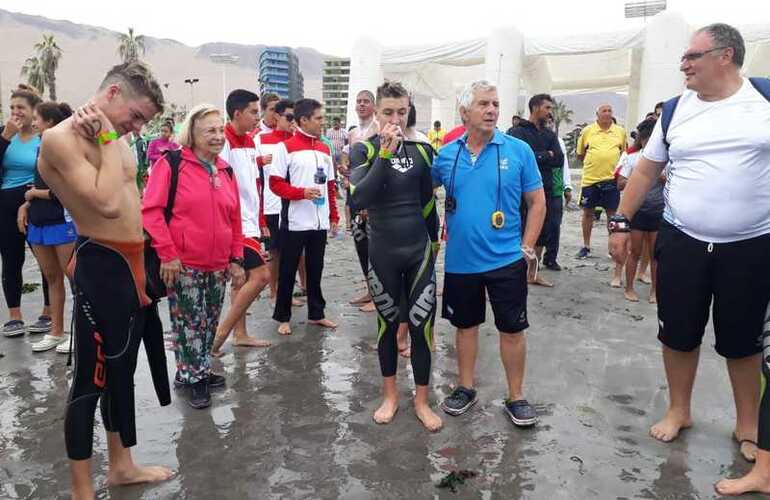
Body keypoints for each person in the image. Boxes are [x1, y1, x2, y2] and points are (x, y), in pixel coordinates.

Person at [606, 23, 770, 497]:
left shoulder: (763, 99)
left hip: (753, 244)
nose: (684, 64)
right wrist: (620, 221)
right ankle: (680, 409)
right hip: (683, 241)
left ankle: (748, 427)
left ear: (726, 56)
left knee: (743, 342)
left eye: (692, 56)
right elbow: (647, 170)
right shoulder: (676, 112)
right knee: (677, 333)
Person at [38, 61, 172, 500]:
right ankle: (82, 490)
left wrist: (115, 138)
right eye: (134, 116)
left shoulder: (119, 139)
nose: (135, 127)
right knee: (89, 379)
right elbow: (106, 203)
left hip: (134, 263)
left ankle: (121, 467)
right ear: (112, 93)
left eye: (142, 122)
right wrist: (112, 139)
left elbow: (128, 192)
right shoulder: (60, 139)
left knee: (122, 369)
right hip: (101, 265)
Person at [432, 80, 546, 427]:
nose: (492, 110)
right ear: (464, 112)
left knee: (512, 329)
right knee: (465, 327)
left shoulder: (517, 151)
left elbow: (537, 202)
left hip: (506, 260)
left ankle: (516, 395)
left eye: (495, 103)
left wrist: (527, 247)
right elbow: (419, 192)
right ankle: (465, 387)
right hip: (461, 261)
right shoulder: (447, 155)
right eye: (483, 104)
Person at [349, 81, 442, 431]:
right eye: (388, 112)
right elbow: (359, 200)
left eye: (401, 112)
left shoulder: (422, 151)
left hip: (417, 252)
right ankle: (390, 396)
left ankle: (421, 400)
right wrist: (385, 155)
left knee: (422, 327)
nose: (395, 119)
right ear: (375, 112)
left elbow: (427, 204)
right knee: (388, 326)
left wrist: (434, 245)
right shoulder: (365, 151)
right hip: (383, 252)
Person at [143, 103, 246, 408]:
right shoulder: (171, 163)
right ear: (192, 134)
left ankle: (193, 369)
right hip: (183, 263)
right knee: (189, 322)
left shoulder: (225, 170)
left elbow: (235, 218)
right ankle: (194, 379)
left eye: (219, 130)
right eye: (209, 131)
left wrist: (236, 258)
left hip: (218, 264)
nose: (217, 137)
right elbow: (151, 212)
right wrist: (168, 254)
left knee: (209, 320)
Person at [268, 98, 339, 336]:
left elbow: (330, 186)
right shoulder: (285, 148)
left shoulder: (324, 148)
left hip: (319, 221)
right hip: (295, 221)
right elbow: (275, 184)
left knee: (315, 268)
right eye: (318, 118)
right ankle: (283, 316)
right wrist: (301, 193)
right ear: (303, 120)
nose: (322, 122)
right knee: (288, 270)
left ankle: (316, 314)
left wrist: (334, 215)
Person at [16, 101, 77, 352]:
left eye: (38, 119)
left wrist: (33, 196)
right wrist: (26, 206)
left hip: (61, 221)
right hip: (39, 222)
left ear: (50, 123)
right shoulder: (42, 147)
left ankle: (79, 334)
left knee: (74, 279)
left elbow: (65, 190)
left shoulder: (63, 149)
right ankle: (56, 332)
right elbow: (39, 185)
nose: (33, 123)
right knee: (52, 278)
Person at [511, 94, 564, 286]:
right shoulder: (517, 132)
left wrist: (537, 156)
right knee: (520, 228)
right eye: (547, 108)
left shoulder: (550, 135)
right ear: (535, 108)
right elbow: (517, 158)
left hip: (545, 190)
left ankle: (533, 271)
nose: (550, 113)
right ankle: (517, 271)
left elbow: (558, 158)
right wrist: (544, 155)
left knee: (543, 230)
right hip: (520, 192)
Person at [575, 104, 627, 287]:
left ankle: (611, 248)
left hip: (611, 181)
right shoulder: (588, 131)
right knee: (588, 213)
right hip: (590, 179)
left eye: (610, 111)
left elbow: (623, 154)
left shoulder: (620, 131)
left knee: (612, 214)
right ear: (596, 114)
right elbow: (580, 154)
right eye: (603, 111)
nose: (607, 113)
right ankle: (586, 246)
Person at [255, 99, 298, 304]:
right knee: (274, 251)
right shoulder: (261, 139)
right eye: (289, 117)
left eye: (295, 117)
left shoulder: (298, 140)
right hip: (272, 204)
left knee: (292, 252)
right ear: (277, 117)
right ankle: (274, 293)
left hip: (294, 204)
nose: (292, 121)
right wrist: (260, 161)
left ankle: (285, 294)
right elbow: (250, 171)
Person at [616, 118, 662, 304]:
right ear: (642, 140)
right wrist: (641, 180)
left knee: (655, 255)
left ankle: (654, 291)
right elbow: (620, 184)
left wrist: (662, 178)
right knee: (633, 252)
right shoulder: (632, 158)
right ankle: (629, 288)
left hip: (659, 211)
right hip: (637, 212)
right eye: (647, 139)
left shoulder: (666, 160)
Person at [348, 90, 379, 311]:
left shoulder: (377, 129)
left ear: (374, 105)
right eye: (358, 101)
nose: (361, 105)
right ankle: (370, 290)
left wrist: (369, 201)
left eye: (366, 101)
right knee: (360, 245)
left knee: (374, 248)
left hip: (370, 197)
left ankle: (379, 296)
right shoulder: (353, 132)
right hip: (355, 195)